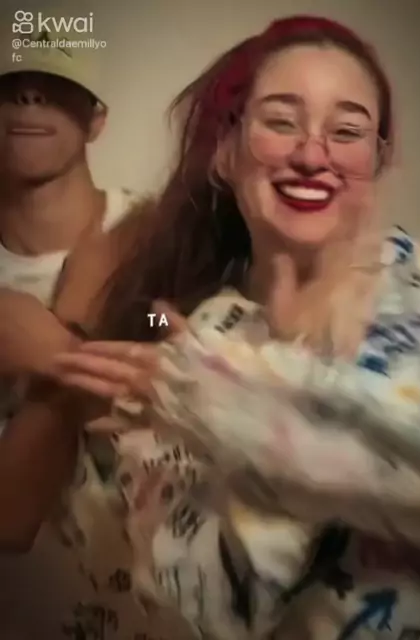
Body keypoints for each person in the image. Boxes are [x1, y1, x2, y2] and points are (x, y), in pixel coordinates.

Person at [14, 14, 420, 640]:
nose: (312, 154)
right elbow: (216, 607)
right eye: (281, 122)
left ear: (379, 157)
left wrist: (242, 394)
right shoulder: (194, 333)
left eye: (347, 131)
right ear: (224, 153)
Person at [0, 27, 194, 640]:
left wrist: (101, 329)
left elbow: (172, 326)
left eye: (52, 87)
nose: (29, 98)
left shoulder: (158, 234)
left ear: (97, 119)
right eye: (10, 86)